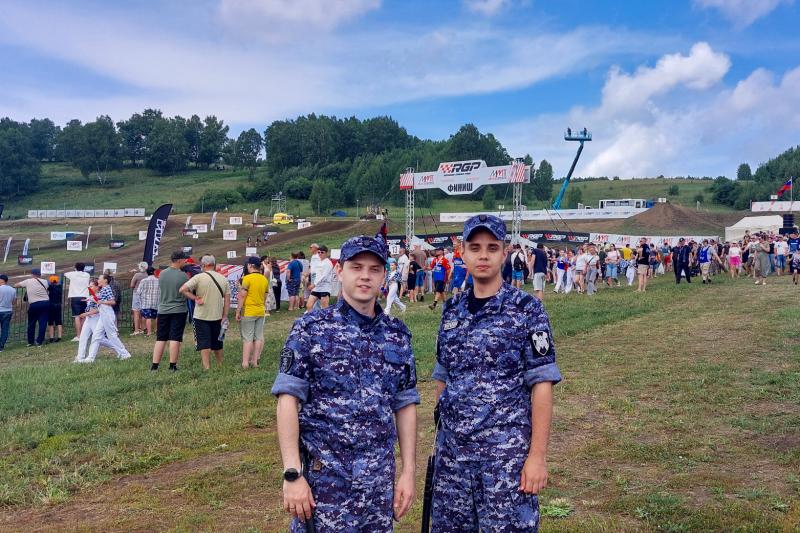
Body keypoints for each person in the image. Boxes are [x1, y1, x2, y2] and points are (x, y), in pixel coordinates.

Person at [271, 232, 419, 532]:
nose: (365, 276)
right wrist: (292, 474)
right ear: (340, 271)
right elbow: (287, 399)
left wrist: (408, 472)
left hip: (378, 486)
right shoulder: (310, 329)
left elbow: (404, 405)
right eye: (356, 267)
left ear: (384, 276)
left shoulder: (397, 335)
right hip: (325, 485)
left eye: (374, 269)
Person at [431, 214, 561, 532]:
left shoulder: (527, 309)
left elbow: (542, 383)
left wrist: (537, 456)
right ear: (463, 253)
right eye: (475, 248)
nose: (484, 255)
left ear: (504, 253)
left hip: (505, 459)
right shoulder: (452, 311)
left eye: (492, 247)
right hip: (453, 461)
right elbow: (443, 376)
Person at [180, 255, 230, 370]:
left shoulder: (198, 277)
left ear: (203, 265)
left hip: (201, 316)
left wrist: (194, 298)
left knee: (204, 343)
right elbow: (227, 300)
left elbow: (182, 289)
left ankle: (207, 367)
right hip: (217, 316)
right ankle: (220, 365)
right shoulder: (223, 278)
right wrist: (225, 316)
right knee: (218, 343)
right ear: (214, 264)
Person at [151, 251, 189, 372]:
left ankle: (154, 366)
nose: (186, 261)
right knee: (175, 338)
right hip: (179, 309)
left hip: (163, 309)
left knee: (161, 338)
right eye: (184, 260)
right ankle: (172, 366)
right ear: (179, 260)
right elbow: (188, 290)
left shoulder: (162, 274)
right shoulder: (183, 276)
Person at [80, 274, 131, 363]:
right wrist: (91, 299)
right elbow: (98, 298)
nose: (98, 280)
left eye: (100, 279)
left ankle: (124, 354)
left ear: (105, 280)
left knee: (112, 336)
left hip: (107, 314)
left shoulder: (107, 288)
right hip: (103, 314)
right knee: (96, 336)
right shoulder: (103, 289)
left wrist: (100, 301)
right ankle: (90, 358)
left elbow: (112, 301)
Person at [236, 256, 268, 369]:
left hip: (249, 311)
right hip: (260, 311)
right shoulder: (264, 279)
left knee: (247, 338)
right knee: (258, 337)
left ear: (250, 266)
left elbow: (242, 296)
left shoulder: (247, 278)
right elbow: (265, 296)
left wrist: (238, 311)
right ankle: (255, 361)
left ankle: (245, 363)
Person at [15, 268, 49, 347]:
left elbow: (15, 285)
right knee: (43, 323)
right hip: (45, 303)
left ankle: (30, 341)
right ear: (40, 274)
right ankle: (39, 341)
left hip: (34, 304)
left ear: (32, 274)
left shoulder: (28, 281)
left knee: (31, 323)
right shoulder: (45, 281)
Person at [64, 262, 90, 341]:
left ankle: (78, 336)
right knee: (83, 316)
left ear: (75, 268)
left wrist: (74, 270)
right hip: (85, 297)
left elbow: (65, 274)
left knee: (77, 316)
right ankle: (83, 335)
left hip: (75, 297)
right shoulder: (87, 275)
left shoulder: (72, 274)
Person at [306, 245, 334, 312]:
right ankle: (312, 317)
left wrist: (314, 284)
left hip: (324, 288)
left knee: (324, 309)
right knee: (309, 305)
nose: (320, 254)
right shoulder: (318, 262)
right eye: (318, 252)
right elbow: (315, 272)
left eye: (322, 252)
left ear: (326, 253)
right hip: (316, 288)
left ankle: (326, 318)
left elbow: (324, 276)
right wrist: (307, 274)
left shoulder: (328, 263)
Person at [135, 267, 159, 336]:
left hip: (146, 302)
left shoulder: (143, 281)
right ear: (154, 272)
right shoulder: (158, 280)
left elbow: (138, 291)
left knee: (148, 317)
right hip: (156, 301)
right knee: (157, 317)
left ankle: (149, 332)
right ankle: (156, 330)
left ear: (147, 273)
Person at [130, 262, 149, 335]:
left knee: (136, 312)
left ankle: (136, 330)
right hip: (145, 294)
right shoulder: (147, 275)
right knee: (143, 312)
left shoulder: (137, 275)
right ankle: (143, 328)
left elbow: (132, 285)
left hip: (137, 294)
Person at [0, 274, 16, 352]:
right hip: (8, 311)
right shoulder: (13, 289)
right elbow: (14, 302)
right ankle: (1, 346)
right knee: (5, 329)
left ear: (1, 280)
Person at [46, 275, 63, 343]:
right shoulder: (60, 287)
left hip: (51, 305)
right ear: (57, 281)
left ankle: (51, 337)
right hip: (58, 305)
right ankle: (59, 337)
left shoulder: (49, 287)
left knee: (51, 322)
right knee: (59, 321)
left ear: (50, 281)